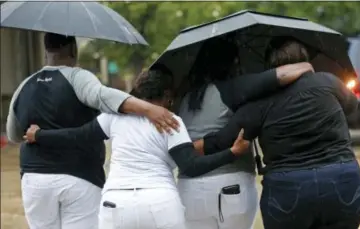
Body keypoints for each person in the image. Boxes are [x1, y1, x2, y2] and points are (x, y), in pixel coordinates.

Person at [22, 68, 251, 229]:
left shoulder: (114, 117)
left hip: (116, 204)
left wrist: (39, 135)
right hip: (160, 204)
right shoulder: (171, 121)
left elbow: (77, 136)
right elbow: (191, 166)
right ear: (168, 96)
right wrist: (231, 153)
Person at [6, 33, 179, 229]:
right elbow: (104, 96)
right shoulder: (77, 77)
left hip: (34, 179)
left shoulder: (24, 85)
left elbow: (13, 134)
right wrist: (148, 108)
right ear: (73, 50)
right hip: (79, 177)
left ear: (46, 51)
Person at [195, 37, 360, 229]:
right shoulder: (328, 81)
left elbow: (222, 140)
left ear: (270, 65)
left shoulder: (259, 102)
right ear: (304, 58)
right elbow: (351, 105)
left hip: (289, 189)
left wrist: (183, 147)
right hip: (342, 179)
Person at [176, 37, 314, 229]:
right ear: (233, 62)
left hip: (188, 190)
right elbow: (280, 76)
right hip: (229, 186)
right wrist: (306, 65)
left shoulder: (186, 97)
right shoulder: (233, 88)